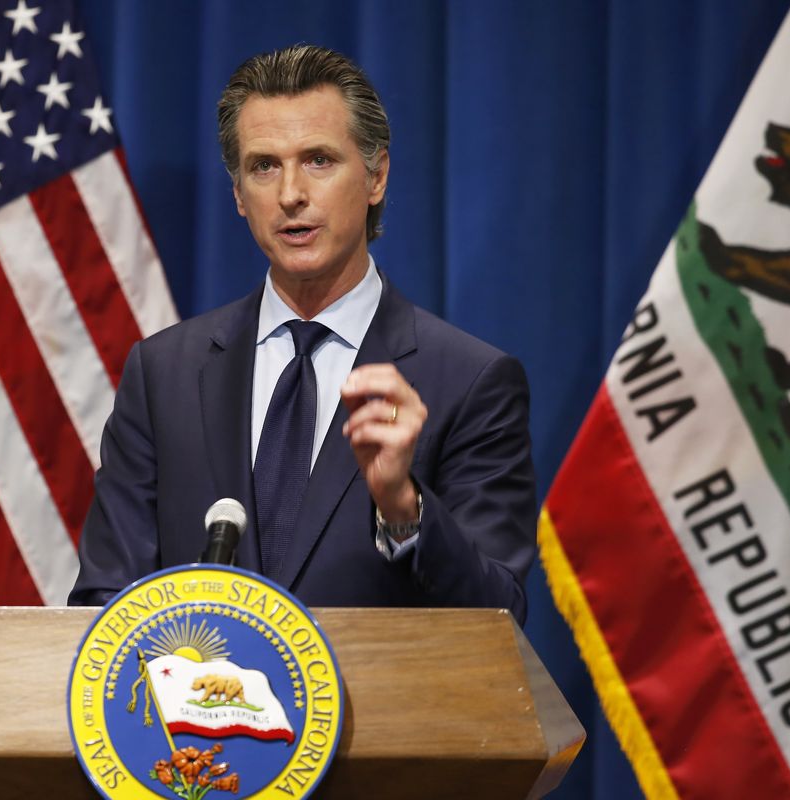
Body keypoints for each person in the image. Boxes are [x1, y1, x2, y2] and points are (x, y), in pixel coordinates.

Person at [68, 45, 535, 621]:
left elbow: (500, 620)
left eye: (318, 160)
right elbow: (103, 601)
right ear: (239, 195)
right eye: (264, 166)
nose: (290, 193)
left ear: (376, 176)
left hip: (380, 712)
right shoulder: (163, 373)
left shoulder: (468, 382)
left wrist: (402, 508)